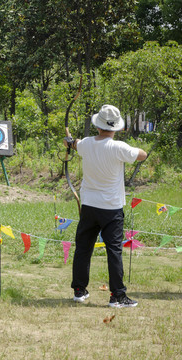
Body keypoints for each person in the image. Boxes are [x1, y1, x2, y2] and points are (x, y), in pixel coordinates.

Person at [63, 104, 147, 308]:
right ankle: (117, 296)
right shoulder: (119, 147)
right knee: (114, 250)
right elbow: (142, 155)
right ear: (115, 127)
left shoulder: (86, 144)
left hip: (90, 206)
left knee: (83, 248)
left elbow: (76, 144)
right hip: (111, 208)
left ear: (98, 125)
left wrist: (70, 142)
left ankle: (79, 290)